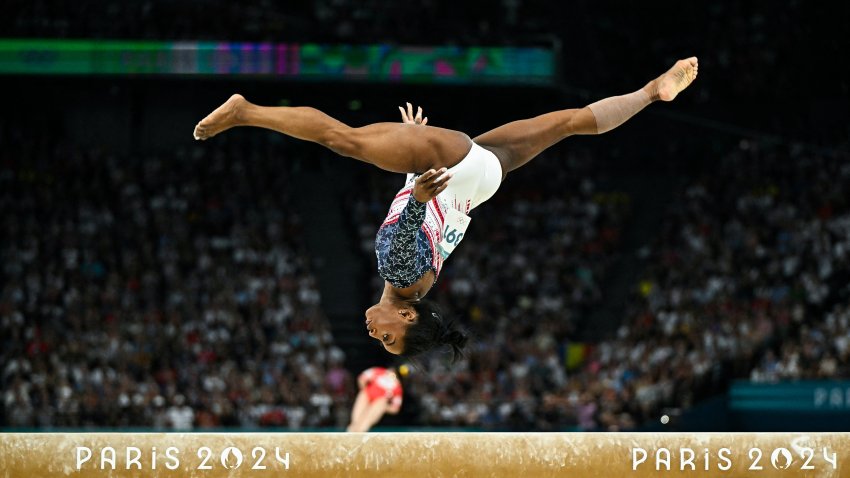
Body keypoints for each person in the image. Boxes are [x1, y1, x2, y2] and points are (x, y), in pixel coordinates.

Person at [193, 57, 699, 360]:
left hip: (479, 182)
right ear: (408, 316)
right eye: (390, 341)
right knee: (342, 139)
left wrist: (413, 161)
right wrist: (417, 178)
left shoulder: (422, 283)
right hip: (450, 169)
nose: (377, 336)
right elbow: (409, 225)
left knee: (567, 124)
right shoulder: (397, 276)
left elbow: (422, 222)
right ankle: (246, 112)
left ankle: (650, 91)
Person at [347, 366, 405, 432]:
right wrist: (364, 390)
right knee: (356, 422)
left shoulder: (397, 388)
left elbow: (395, 409)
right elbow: (361, 378)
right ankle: (352, 429)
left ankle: (362, 429)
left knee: (364, 424)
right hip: (366, 396)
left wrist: (383, 406)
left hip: (379, 403)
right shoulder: (378, 371)